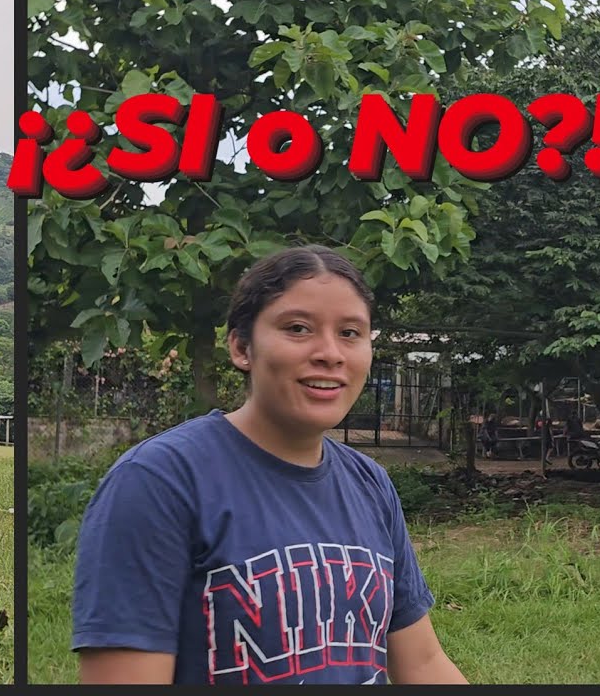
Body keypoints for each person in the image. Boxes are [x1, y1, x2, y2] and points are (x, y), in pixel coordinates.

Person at [72, 245, 467, 685]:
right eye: (298, 328)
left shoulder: (369, 483)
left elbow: (422, 663)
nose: (330, 353)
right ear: (242, 347)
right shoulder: (158, 482)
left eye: (351, 333)